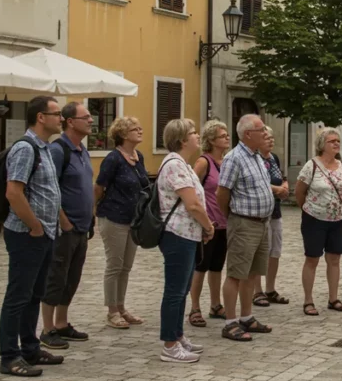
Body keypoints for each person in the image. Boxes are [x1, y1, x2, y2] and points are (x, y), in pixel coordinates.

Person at [0, 96, 65, 377]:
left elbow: (46, 191)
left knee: (34, 295)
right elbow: (14, 192)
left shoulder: (45, 148)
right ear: (41, 117)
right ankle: (9, 356)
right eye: (57, 113)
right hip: (27, 234)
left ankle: (29, 348)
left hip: (45, 233)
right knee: (18, 296)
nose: (61, 118)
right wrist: (35, 226)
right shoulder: (26, 148)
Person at [156, 119, 215, 363]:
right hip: (177, 234)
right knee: (175, 290)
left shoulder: (183, 164)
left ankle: (178, 336)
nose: (197, 136)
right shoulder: (174, 165)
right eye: (193, 133)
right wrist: (209, 225)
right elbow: (192, 204)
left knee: (181, 291)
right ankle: (169, 345)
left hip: (187, 234)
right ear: (182, 140)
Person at [40, 102, 95, 350]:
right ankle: (47, 328)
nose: (91, 120)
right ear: (70, 121)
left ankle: (62, 323)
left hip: (81, 226)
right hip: (64, 227)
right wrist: (63, 220)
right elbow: (50, 189)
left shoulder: (82, 150)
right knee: (56, 276)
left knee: (72, 277)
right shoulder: (58, 150)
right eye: (86, 117)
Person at [216, 114, 275, 341]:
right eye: (261, 130)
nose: (265, 133)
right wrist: (232, 216)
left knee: (252, 273)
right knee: (236, 273)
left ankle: (246, 316)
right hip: (243, 223)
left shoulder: (257, 157)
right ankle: (230, 322)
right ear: (248, 134)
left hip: (261, 223)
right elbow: (222, 193)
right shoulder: (234, 158)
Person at [94, 116, 148, 329]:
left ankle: (122, 306)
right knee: (114, 265)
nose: (140, 131)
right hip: (113, 217)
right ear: (123, 134)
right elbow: (99, 186)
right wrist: (94, 209)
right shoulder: (113, 159)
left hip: (133, 219)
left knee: (126, 266)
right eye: (135, 129)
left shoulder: (138, 156)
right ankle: (112, 311)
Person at [295, 127, 342, 316]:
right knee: (312, 259)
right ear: (321, 145)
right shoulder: (312, 165)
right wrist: (308, 209)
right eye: (332, 141)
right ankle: (308, 300)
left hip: (338, 219)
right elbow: (299, 192)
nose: (336, 143)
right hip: (315, 219)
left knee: (334, 259)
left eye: (338, 141)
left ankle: (333, 298)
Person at [188, 121, 231, 327]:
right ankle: (194, 307)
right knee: (201, 266)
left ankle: (215, 304)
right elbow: (191, 188)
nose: (227, 138)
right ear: (212, 140)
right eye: (223, 135)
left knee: (217, 266)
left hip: (225, 223)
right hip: (208, 224)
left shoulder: (226, 162)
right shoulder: (204, 162)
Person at [254, 126, 290, 307]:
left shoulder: (274, 158)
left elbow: (281, 177)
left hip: (276, 210)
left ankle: (270, 289)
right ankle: (257, 291)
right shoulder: (255, 159)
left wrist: (285, 185)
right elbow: (257, 184)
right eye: (267, 137)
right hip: (261, 212)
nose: (271, 140)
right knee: (260, 251)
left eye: (272, 137)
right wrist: (278, 189)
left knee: (275, 251)